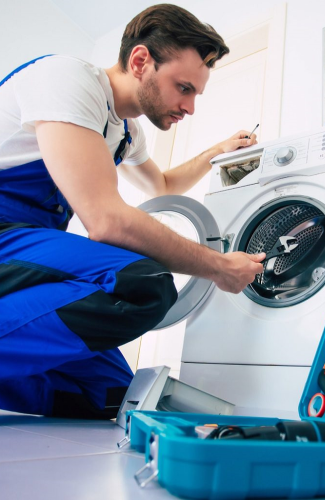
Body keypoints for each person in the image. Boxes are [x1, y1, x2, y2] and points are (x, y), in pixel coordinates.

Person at [0, 4, 265, 419]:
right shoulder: (66, 79)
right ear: (141, 61)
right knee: (145, 284)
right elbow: (105, 221)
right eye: (183, 88)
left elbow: (161, 185)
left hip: (23, 243)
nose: (190, 106)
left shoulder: (125, 132)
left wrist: (218, 151)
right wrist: (218, 266)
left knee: (112, 393)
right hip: (6, 234)